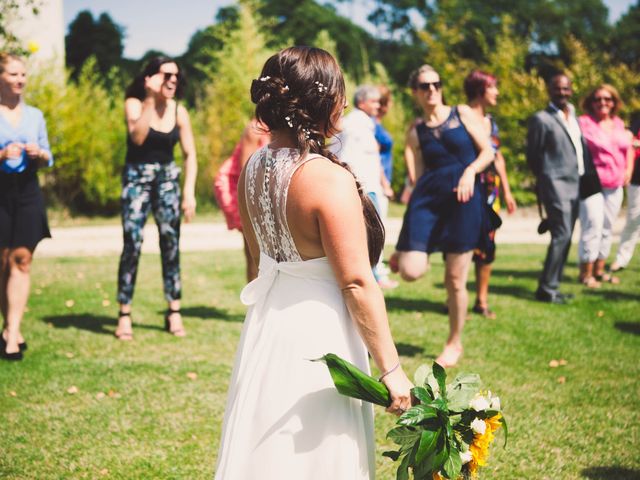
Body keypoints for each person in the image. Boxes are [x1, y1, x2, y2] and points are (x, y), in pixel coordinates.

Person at [214, 46, 412, 479]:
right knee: (318, 454)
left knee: (269, 451)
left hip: (267, 328)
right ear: (325, 102)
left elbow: (257, 255)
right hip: (321, 334)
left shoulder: (253, 169)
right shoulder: (327, 179)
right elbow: (358, 282)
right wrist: (391, 370)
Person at [390, 64, 494, 368]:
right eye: (425, 86)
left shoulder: (461, 113)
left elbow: (488, 151)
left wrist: (470, 172)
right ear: (416, 93)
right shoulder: (415, 130)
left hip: (464, 199)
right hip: (428, 198)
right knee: (410, 271)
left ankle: (454, 342)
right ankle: (405, 251)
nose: (432, 89)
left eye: (436, 83)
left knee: (454, 279)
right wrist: (409, 227)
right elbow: (418, 176)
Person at [115, 56, 197, 340]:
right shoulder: (135, 104)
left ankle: (174, 310)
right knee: (132, 242)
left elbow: (190, 155)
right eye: (166, 75)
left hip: (167, 181)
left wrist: (188, 192)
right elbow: (137, 138)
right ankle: (124, 312)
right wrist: (150, 100)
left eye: (176, 76)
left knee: (171, 242)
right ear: (150, 79)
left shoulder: (179, 111)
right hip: (137, 178)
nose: (172, 81)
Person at [527, 72, 601, 304]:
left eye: (566, 88)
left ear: (571, 90)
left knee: (567, 236)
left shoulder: (574, 116)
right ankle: (547, 288)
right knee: (562, 234)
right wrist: (545, 181)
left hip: (576, 183)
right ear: (549, 90)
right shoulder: (541, 119)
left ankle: (553, 286)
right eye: (558, 88)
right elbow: (533, 156)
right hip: (555, 184)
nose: (563, 92)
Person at [0, 53, 53, 361]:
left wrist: (40, 154)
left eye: (23, 75)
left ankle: (13, 332)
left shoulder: (35, 115)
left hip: (28, 190)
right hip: (1, 191)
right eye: (13, 74)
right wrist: (3, 153)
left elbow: (49, 156)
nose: (20, 80)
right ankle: (9, 324)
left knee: (21, 260)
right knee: (2, 260)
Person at [463, 70, 517, 318]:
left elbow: (498, 157)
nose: (497, 92)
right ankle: (456, 296)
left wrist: (506, 190)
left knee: (488, 243)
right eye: (493, 87)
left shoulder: (491, 122)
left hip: (490, 192)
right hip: (468, 188)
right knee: (461, 244)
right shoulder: (461, 117)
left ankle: (481, 301)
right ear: (479, 89)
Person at [333, 84, 392, 288]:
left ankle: (374, 273)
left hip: (371, 185)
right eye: (374, 101)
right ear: (362, 102)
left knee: (372, 232)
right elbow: (344, 154)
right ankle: (373, 275)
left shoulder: (365, 123)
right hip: (363, 187)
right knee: (371, 233)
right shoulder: (354, 124)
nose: (378, 105)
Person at [577, 84, 634, 285]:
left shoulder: (618, 123)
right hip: (591, 183)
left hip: (615, 182)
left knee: (607, 226)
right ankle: (586, 273)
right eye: (598, 99)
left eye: (607, 99)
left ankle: (600, 270)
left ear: (614, 102)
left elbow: (627, 149)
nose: (603, 102)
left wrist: (628, 170)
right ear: (591, 103)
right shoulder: (583, 123)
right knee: (592, 224)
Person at [214, 118, 270, 282]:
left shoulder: (286, 129)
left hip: (272, 195)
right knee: (255, 260)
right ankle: (254, 306)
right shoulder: (255, 129)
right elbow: (246, 172)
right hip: (250, 195)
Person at [373, 85, 398, 289]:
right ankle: (378, 274)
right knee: (378, 229)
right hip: (378, 182)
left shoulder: (376, 124)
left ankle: (378, 270)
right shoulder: (372, 125)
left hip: (381, 181)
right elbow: (374, 157)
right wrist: (385, 183)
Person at [611, 125, 640, 272]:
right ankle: (621, 259)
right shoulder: (636, 118)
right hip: (637, 179)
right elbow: (626, 139)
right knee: (633, 220)